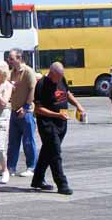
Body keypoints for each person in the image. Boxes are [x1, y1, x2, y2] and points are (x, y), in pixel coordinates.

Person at [31, 62, 86, 195]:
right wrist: (56, 114)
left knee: (48, 151)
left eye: (62, 76)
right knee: (55, 153)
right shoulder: (41, 84)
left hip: (62, 122)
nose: (60, 79)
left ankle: (37, 179)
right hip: (47, 123)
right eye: (58, 77)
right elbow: (38, 108)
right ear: (51, 73)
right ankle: (62, 184)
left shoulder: (61, 79)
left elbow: (67, 93)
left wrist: (78, 105)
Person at [6, 48, 37, 177]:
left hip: (26, 112)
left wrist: (25, 107)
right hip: (14, 110)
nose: (9, 60)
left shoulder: (28, 71)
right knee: (13, 141)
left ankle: (31, 167)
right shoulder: (12, 72)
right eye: (9, 58)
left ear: (19, 59)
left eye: (11, 58)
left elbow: (32, 89)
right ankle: (10, 167)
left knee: (28, 141)